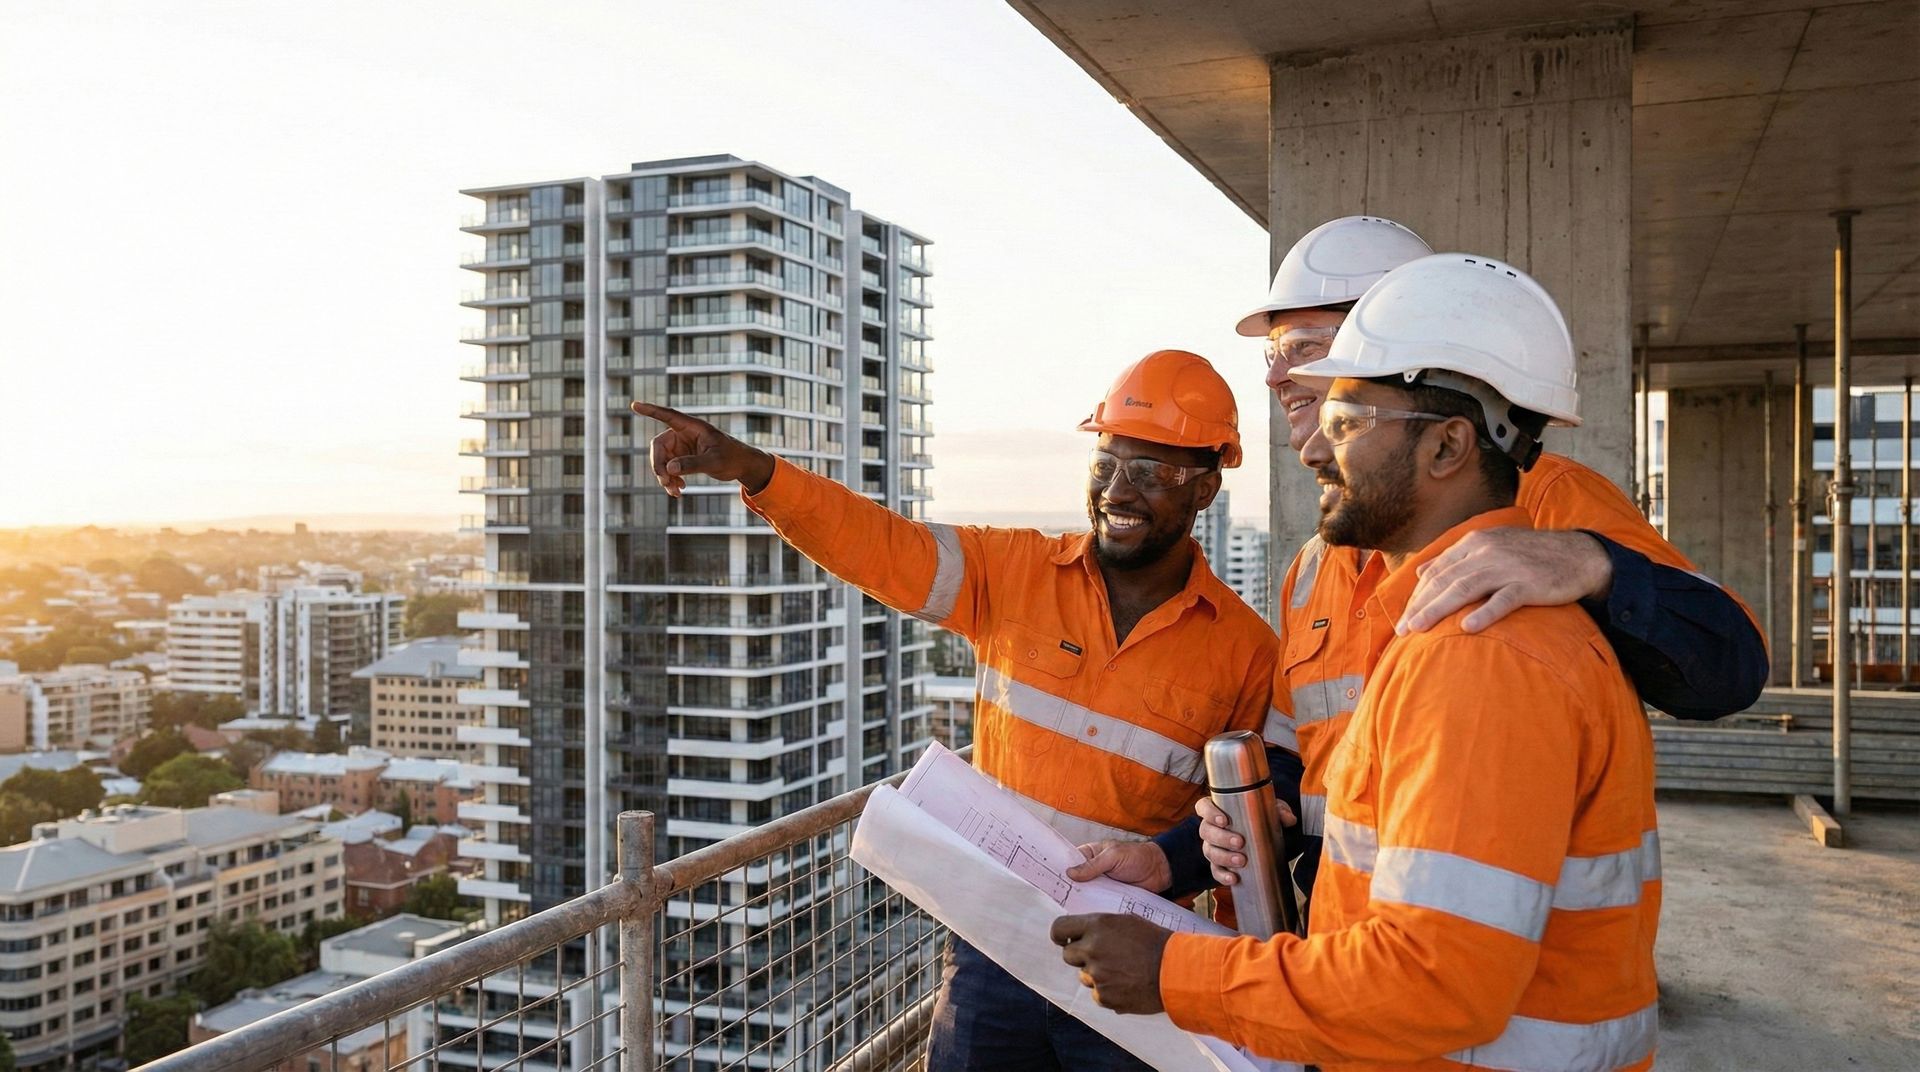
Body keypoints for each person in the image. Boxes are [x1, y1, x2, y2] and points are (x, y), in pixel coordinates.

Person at [1053, 253, 1662, 1071]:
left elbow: (1434, 982)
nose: (1316, 452)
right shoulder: (1437, 625)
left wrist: (1173, 971)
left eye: (1347, 424)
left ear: (1448, 445)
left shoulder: (1483, 657)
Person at [1075, 216, 1767, 913]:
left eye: (1306, 346)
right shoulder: (1315, 566)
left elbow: (1729, 668)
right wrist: (1191, 851)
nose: (1281, 377)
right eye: (1275, 355)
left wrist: (1594, 563)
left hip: (1494, 953)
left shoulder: (1544, 499)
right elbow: (1300, 759)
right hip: (1346, 936)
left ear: (1403, 344)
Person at [631, 349, 1280, 1072]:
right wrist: (754, 470)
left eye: (1151, 472)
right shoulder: (1012, 574)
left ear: (1206, 488)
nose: (1118, 491)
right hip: (992, 949)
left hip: (1126, 965)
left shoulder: (1245, 651)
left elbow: (1254, 821)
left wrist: (1173, 879)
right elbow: (880, 547)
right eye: (1105, 466)